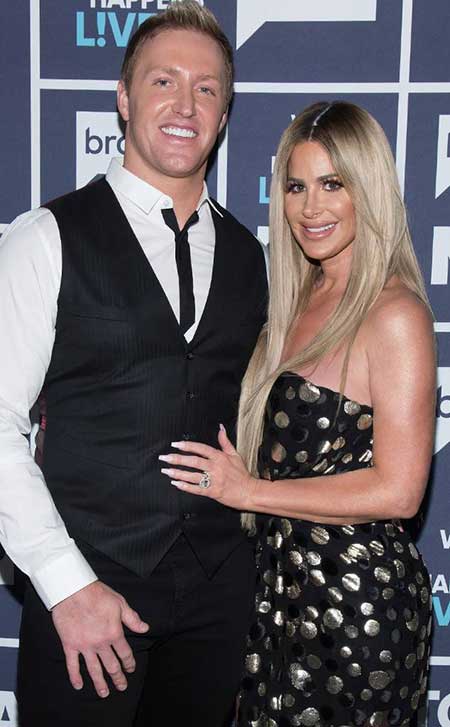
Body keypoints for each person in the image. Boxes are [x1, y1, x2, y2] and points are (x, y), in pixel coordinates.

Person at [0, 3, 267, 725]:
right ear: (123, 98)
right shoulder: (46, 238)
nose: (185, 105)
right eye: (163, 81)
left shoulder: (250, 256)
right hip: (91, 588)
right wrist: (65, 584)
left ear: (224, 112)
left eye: (206, 88)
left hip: (218, 596)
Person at [159, 101, 436, 727]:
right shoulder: (296, 299)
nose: (311, 208)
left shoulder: (394, 315)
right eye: (296, 186)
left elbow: (399, 491)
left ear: (369, 190)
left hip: (356, 607)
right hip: (276, 593)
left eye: (333, 184)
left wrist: (249, 492)